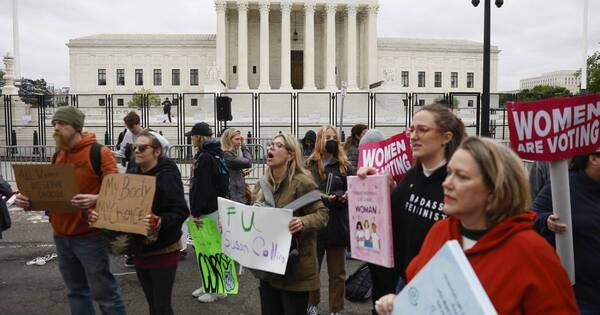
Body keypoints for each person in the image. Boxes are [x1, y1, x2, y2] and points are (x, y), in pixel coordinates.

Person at [375, 137, 579, 315]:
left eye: (462, 176)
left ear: (495, 189)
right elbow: (417, 294)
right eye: (449, 173)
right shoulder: (441, 232)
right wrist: (396, 304)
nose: (447, 183)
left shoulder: (533, 253)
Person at [15, 106, 127, 315]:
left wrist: (95, 198)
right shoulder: (58, 155)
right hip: (61, 236)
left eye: (62, 124)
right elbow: (51, 196)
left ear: (76, 127)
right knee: (76, 292)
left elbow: (120, 193)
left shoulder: (99, 153)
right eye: (54, 124)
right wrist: (28, 201)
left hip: (91, 237)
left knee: (105, 294)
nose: (56, 128)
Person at [358, 103, 466, 315]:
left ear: (446, 137)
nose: (413, 136)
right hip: (400, 283)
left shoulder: (459, 182)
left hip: (439, 293)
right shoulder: (413, 175)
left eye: (423, 130)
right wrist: (375, 188)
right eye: (412, 130)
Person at [89, 131, 189, 315]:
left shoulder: (167, 174)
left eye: (142, 147)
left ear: (157, 152)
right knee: (151, 301)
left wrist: (159, 221)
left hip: (164, 248)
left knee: (161, 306)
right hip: (139, 247)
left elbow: (180, 211)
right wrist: (101, 216)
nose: (137, 151)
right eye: (134, 147)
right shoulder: (133, 168)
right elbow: (123, 205)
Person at [253, 133, 328, 315]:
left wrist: (303, 221)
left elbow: (323, 214)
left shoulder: (303, 182)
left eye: (278, 145)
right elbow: (252, 217)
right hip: (269, 270)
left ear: (291, 155)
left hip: (296, 271)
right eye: (271, 144)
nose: (271, 147)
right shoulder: (262, 184)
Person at [533, 150, 600, 314]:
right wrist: (547, 221)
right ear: (594, 159)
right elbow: (531, 217)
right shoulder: (564, 185)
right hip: (578, 298)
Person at [306, 125, 354, 315]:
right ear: (320, 140)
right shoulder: (309, 164)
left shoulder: (345, 166)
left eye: (334, 137)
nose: (332, 140)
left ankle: (336, 308)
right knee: (312, 271)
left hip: (337, 225)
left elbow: (355, 187)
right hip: (314, 225)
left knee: (337, 274)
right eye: (328, 137)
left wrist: (345, 195)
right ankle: (312, 303)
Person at [187, 122, 228, 303]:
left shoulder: (204, 157)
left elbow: (201, 187)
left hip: (205, 210)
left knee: (209, 250)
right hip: (213, 207)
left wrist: (195, 211)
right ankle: (209, 284)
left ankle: (216, 289)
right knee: (208, 250)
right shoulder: (214, 155)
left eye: (193, 136)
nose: (191, 139)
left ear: (199, 137)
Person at [221, 128, 253, 204]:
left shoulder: (229, 154)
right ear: (229, 140)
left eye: (240, 140)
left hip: (236, 196)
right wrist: (244, 146)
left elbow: (230, 173)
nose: (239, 142)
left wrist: (240, 174)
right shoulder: (227, 155)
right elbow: (248, 162)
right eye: (237, 139)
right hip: (235, 198)